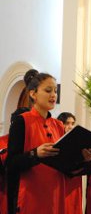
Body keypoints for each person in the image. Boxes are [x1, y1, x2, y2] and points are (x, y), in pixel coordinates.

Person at [6, 72, 67, 214]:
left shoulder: (59, 125)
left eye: (55, 91)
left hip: (53, 197)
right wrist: (35, 154)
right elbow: (11, 163)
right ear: (33, 94)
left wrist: (82, 159)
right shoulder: (21, 121)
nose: (53, 95)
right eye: (48, 90)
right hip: (28, 198)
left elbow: (65, 164)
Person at [57, 112, 83, 214]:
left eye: (72, 123)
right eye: (67, 123)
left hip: (76, 180)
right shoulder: (56, 140)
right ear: (60, 124)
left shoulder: (78, 141)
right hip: (63, 180)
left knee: (74, 207)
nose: (70, 126)